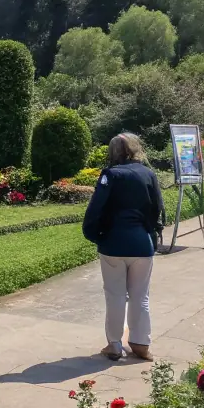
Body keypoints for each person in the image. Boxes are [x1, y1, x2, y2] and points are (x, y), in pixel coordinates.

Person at [82, 132, 165, 362]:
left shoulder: (110, 175)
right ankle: (140, 343)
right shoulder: (148, 174)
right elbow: (157, 207)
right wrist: (150, 233)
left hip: (113, 243)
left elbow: (96, 208)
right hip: (142, 243)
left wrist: (93, 234)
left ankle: (115, 344)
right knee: (141, 296)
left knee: (115, 295)